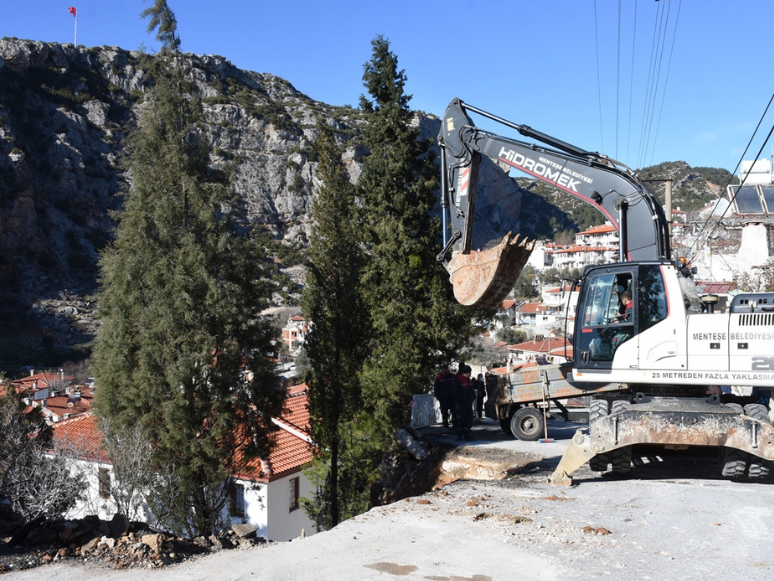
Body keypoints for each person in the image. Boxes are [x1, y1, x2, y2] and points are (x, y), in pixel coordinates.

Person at [453, 363, 477, 440]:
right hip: (461, 404)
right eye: (469, 372)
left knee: (468, 419)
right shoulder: (459, 380)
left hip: (468, 404)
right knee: (460, 420)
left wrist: (472, 398)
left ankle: (467, 435)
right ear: (466, 372)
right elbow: (455, 392)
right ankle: (459, 436)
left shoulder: (469, 380)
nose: (470, 374)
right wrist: (460, 400)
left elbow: (471, 391)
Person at [433, 364, 456, 430]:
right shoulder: (439, 378)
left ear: (448, 370)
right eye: (443, 372)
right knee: (444, 413)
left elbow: (457, 386)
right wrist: (437, 396)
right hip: (443, 399)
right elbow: (436, 388)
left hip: (452, 398)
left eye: (446, 372)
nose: (445, 373)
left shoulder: (453, 376)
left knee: (454, 412)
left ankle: (455, 426)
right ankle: (446, 427)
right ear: (441, 371)